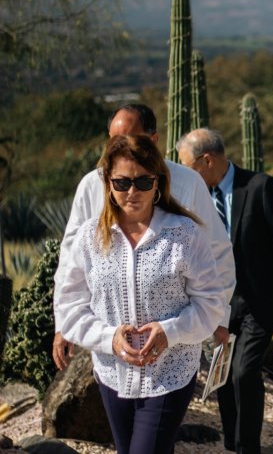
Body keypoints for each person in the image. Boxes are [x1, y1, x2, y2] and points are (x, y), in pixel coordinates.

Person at [56, 135, 227, 453]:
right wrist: (109, 338)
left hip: (170, 372)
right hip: (112, 373)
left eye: (142, 182)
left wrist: (169, 332)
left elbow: (211, 301)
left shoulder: (184, 234)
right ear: (108, 184)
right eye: (122, 183)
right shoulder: (90, 238)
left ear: (158, 182)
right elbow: (70, 306)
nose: (132, 192)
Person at [52, 104, 235, 371]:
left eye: (131, 139)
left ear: (154, 140)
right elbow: (70, 259)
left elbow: (217, 251)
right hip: (109, 343)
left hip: (174, 339)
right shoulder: (91, 185)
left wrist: (219, 317)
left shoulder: (188, 182)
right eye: (114, 140)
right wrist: (64, 325)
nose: (122, 146)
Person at [177, 129, 273, 454]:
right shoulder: (195, 199)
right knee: (222, 376)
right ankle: (233, 443)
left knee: (244, 371)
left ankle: (248, 447)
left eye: (188, 167)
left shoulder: (260, 187)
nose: (185, 175)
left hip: (260, 303)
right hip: (220, 303)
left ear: (207, 160)